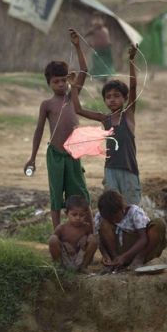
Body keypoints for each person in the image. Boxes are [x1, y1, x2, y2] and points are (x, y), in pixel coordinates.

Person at [68, 28, 141, 204]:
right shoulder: (105, 119)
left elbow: (132, 87)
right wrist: (73, 87)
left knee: (132, 209)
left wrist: (131, 60)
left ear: (124, 99)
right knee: (113, 209)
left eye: (116, 96)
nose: (112, 100)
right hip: (110, 170)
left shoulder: (128, 115)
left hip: (129, 170)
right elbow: (78, 109)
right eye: (108, 97)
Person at [25, 60, 89, 229]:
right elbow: (39, 130)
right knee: (56, 196)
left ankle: (89, 231)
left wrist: (76, 45)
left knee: (80, 193)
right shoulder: (47, 105)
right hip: (55, 155)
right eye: (56, 81)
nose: (61, 84)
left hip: (72, 155)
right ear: (49, 83)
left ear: (68, 79)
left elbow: (84, 70)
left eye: (63, 80)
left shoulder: (72, 96)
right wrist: (32, 158)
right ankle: (58, 233)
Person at [95, 189, 167, 271]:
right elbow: (98, 240)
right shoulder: (102, 216)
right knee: (103, 223)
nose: (114, 221)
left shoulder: (135, 212)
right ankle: (115, 260)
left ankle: (139, 258)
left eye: (116, 217)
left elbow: (143, 239)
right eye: (110, 219)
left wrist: (125, 257)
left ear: (122, 209)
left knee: (159, 224)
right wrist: (106, 256)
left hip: (137, 250)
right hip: (118, 251)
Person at [49, 194, 98, 272]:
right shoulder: (61, 228)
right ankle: (59, 267)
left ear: (86, 215)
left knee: (93, 239)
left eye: (81, 215)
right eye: (74, 215)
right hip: (65, 258)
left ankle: (84, 267)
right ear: (66, 213)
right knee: (53, 239)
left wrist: (86, 238)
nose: (78, 218)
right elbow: (53, 243)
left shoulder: (86, 227)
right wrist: (64, 244)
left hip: (80, 258)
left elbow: (92, 241)